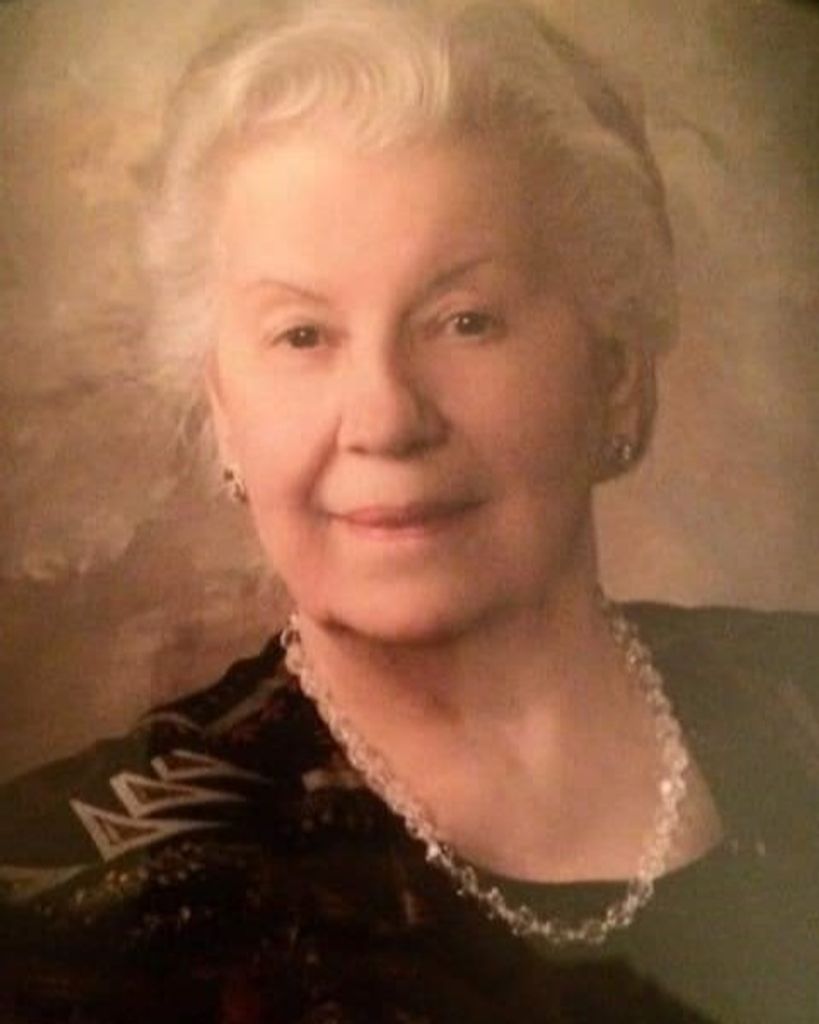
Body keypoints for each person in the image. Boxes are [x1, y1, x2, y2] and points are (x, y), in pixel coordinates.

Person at [1, 1, 817, 1021]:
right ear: (222, 409)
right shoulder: (67, 909)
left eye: (465, 320)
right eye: (302, 335)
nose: (384, 418)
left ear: (613, 372)